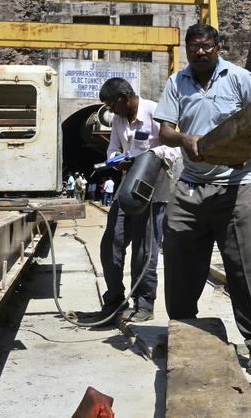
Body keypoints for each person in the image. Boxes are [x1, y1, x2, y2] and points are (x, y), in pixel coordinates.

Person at [155, 23, 251, 376]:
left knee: (246, 267)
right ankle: (183, 329)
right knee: (179, 261)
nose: (201, 52)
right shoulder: (176, 83)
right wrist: (185, 138)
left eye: (207, 46)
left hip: (235, 185)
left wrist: (246, 147)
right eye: (194, 47)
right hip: (190, 186)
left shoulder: (240, 78)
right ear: (187, 49)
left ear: (218, 46)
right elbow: (165, 130)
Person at [79, 77, 179, 325]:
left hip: (153, 193)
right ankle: (114, 300)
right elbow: (112, 150)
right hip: (127, 190)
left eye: (112, 105)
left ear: (124, 98)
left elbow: (175, 150)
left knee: (145, 251)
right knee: (111, 242)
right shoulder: (119, 122)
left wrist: (149, 155)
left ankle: (144, 303)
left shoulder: (156, 111)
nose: (111, 111)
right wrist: (119, 159)